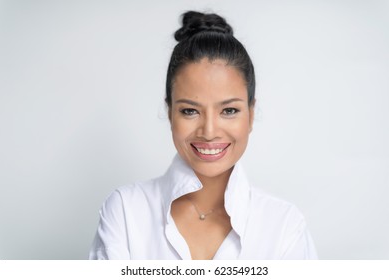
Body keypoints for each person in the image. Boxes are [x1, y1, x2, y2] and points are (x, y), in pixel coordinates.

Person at [89, 11, 318, 260]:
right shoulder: (125, 212)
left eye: (229, 110)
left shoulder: (284, 227)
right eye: (190, 111)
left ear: (251, 114)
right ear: (170, 113)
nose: (209, 132)